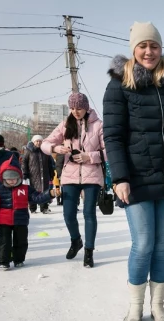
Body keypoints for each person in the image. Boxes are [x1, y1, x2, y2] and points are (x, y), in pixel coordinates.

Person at [103, 21, 164, 321]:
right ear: (134, 49)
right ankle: (135, 308)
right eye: (143, 46)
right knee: (143, 243)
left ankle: (158, 305)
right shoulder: (119, 84)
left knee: (162, 245)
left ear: (161, 48)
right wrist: (119, 177)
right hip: (136, 178)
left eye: (154, 45)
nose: (149, 51)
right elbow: (113, 136)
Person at [42, 93, 106, 268]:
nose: (75, 111)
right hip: (70, 175)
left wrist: (89, 156)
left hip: (91, 175)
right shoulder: (65, 124)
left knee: (89, 214)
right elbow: (44, 144)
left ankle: (89, 252)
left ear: (86, 107)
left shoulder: (98, 125)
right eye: (72, 108)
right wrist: (55, 147)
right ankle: (76, 240)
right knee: (68, 214)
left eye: (78, 108)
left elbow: (109, 150)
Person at [0, 156, 57, 270]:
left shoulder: (25, 189)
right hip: (4, 222)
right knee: (4, 242)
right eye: (8, 178)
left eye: (14, 178)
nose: (12, 181)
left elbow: (37, 197)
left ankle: (19, 259)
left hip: (21, 220)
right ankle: (3, 261)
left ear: (19, 176)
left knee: (21, 241)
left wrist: (50, 194)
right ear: (3, 178)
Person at [22, 135, 55, 214]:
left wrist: (51, 172)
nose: (38, 142)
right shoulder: (29, 151)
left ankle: (44, 208)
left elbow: (50, 163)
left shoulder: (45, 151)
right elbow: (24, 162)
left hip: (44, 174)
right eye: (37, 141)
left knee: (45, 190)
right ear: (33, 142)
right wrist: (25, 173)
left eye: (40, 141)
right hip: (33, 175)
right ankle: (33, 208)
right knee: (33, 191)